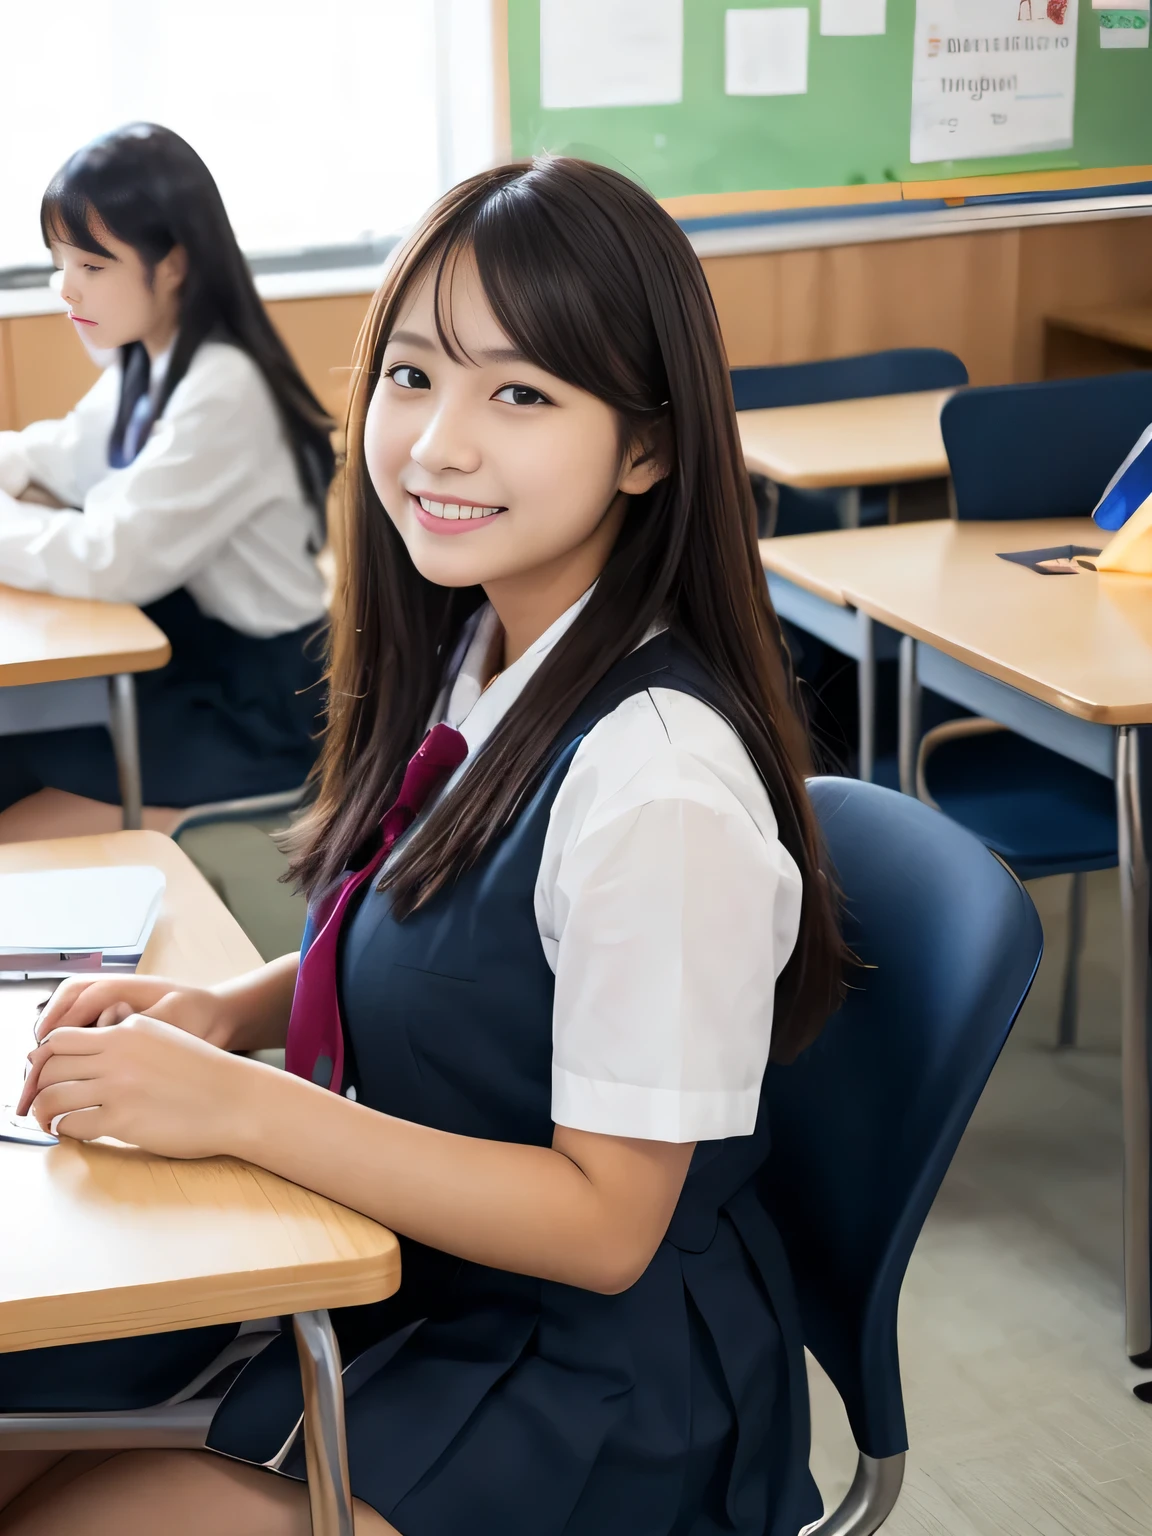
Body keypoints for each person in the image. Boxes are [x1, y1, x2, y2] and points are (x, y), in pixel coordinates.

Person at [2, 156, 847, 1536]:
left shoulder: (663, 791)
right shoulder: (484, 651)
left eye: (520, 393)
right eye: (411, 376)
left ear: (648, 447)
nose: (439, 443)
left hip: (590, 1398)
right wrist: (237, 1009)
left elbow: (604, 1225)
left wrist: (248, 1105)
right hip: (421, 1281)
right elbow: (433, 931)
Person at [0, 124, 334, 841]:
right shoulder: (147, 361)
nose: (65, 288)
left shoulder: (223, 386)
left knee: (13, 772)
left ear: (174, 264)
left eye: (91, 265)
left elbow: (107, 559)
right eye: (60, 261)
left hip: (261, 707)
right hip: (195, 667)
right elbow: (55, 457)